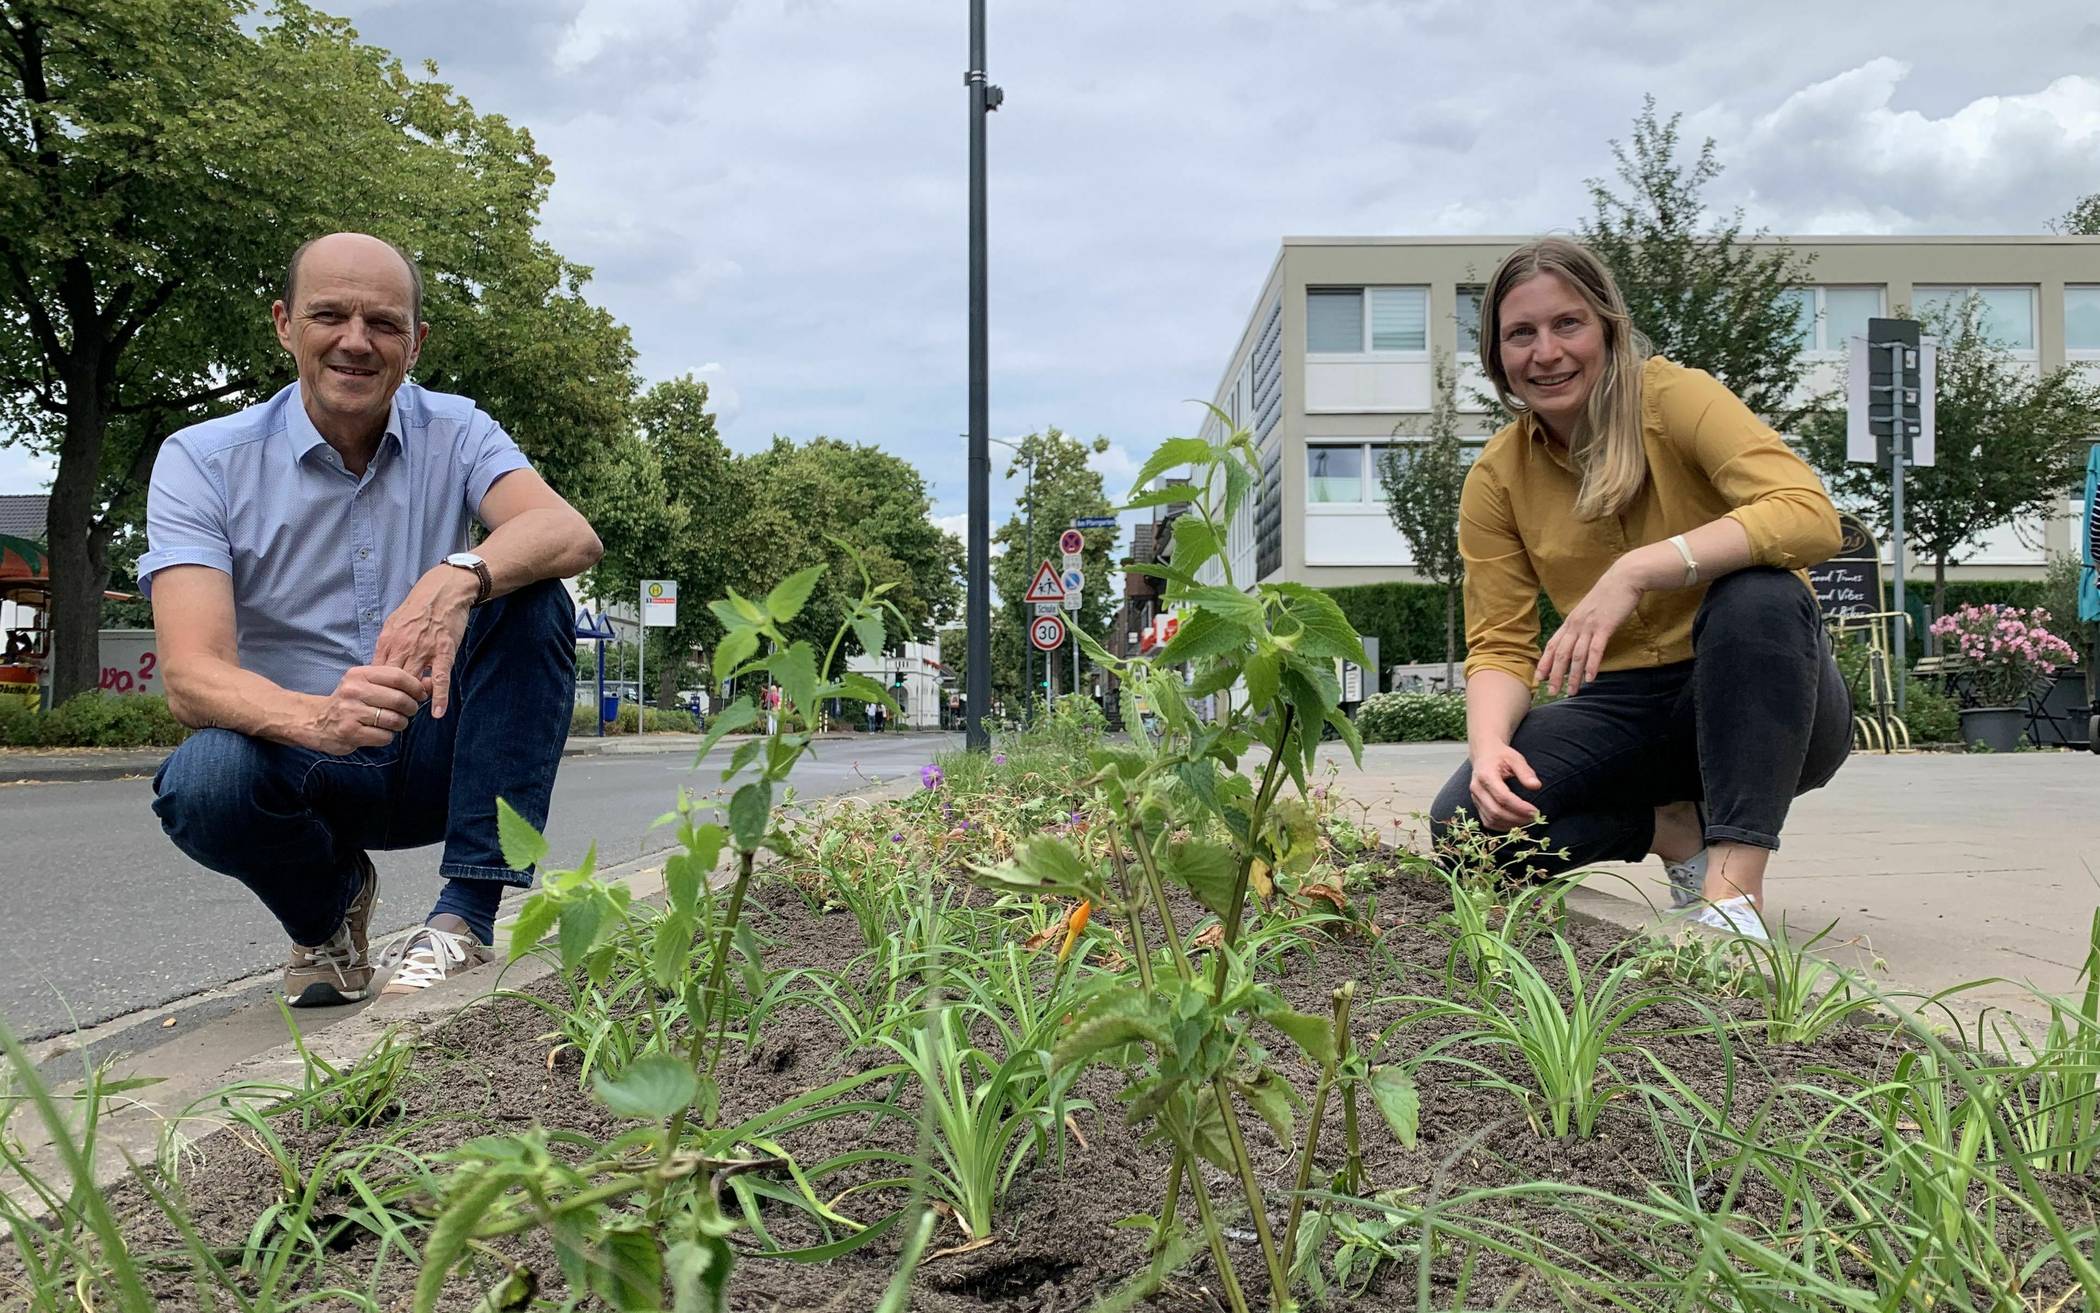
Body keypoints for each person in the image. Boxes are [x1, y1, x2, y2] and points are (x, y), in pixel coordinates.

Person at [141, 232, 603, 1006]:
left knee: (533, 596)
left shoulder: (457, 430)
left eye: (384, 323)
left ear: (416, 343)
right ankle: (328, 913)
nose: (356, 341)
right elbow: (191, 677)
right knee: (203, 780)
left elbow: (569, 532)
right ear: (285, 324)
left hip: (438, 744)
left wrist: (456, 576)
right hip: (305, 759)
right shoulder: (202, 460)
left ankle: (464, 916)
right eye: (330, 315)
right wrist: (317, 717)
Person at [1428, 237, 1850, 940]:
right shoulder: (1497, 478)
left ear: (1608, 329)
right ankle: (1671, 828)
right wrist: (1490, 747)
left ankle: (1733, 892)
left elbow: (1810, 515)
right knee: (1466, 832)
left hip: (1770, 696)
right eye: (1521, 334)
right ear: (1497, 356)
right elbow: (1500, 644)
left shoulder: (1676, 397)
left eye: (1568, 323)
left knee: (1758, 593)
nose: (1547, 351)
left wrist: (1642, 567)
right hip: (1631, 710)